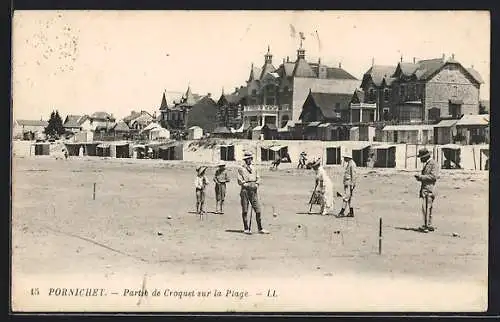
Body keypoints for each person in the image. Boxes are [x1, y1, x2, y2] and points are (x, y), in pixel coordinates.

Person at [237, 152, 269, 235]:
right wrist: (246, 184)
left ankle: (260, 228)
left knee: (258, 209)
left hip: (254, 189)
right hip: (245, 190)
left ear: (251, 159)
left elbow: (258, 178)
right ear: (245, 160)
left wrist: (257, 184)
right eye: (247, 159)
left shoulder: (255, 168)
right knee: (245, 209)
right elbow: (239, 180)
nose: (248, 160)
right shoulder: (241, 169)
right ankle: (246, 228)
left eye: (250, 158)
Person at [414, 148, 439, 233]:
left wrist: (421, 177)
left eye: (421, 157)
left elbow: (433, 177)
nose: (420, 159)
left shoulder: (433, 164)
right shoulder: (429, 163)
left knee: (426, 208)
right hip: (427, 189)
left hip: (429, 189)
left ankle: (426, 226)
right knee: (427, 208)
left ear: (426, 156)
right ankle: (429, 224)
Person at [337, 151, 357, 217]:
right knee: (349, 198)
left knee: (345, 198)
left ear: (348, 157)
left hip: (349, 184)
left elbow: (353, 175)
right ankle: (351, 212)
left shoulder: (352, 164)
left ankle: (342, 212)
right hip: (348, 183)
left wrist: (352, 184)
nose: (344, 159)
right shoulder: (349, 163)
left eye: (345, 157)